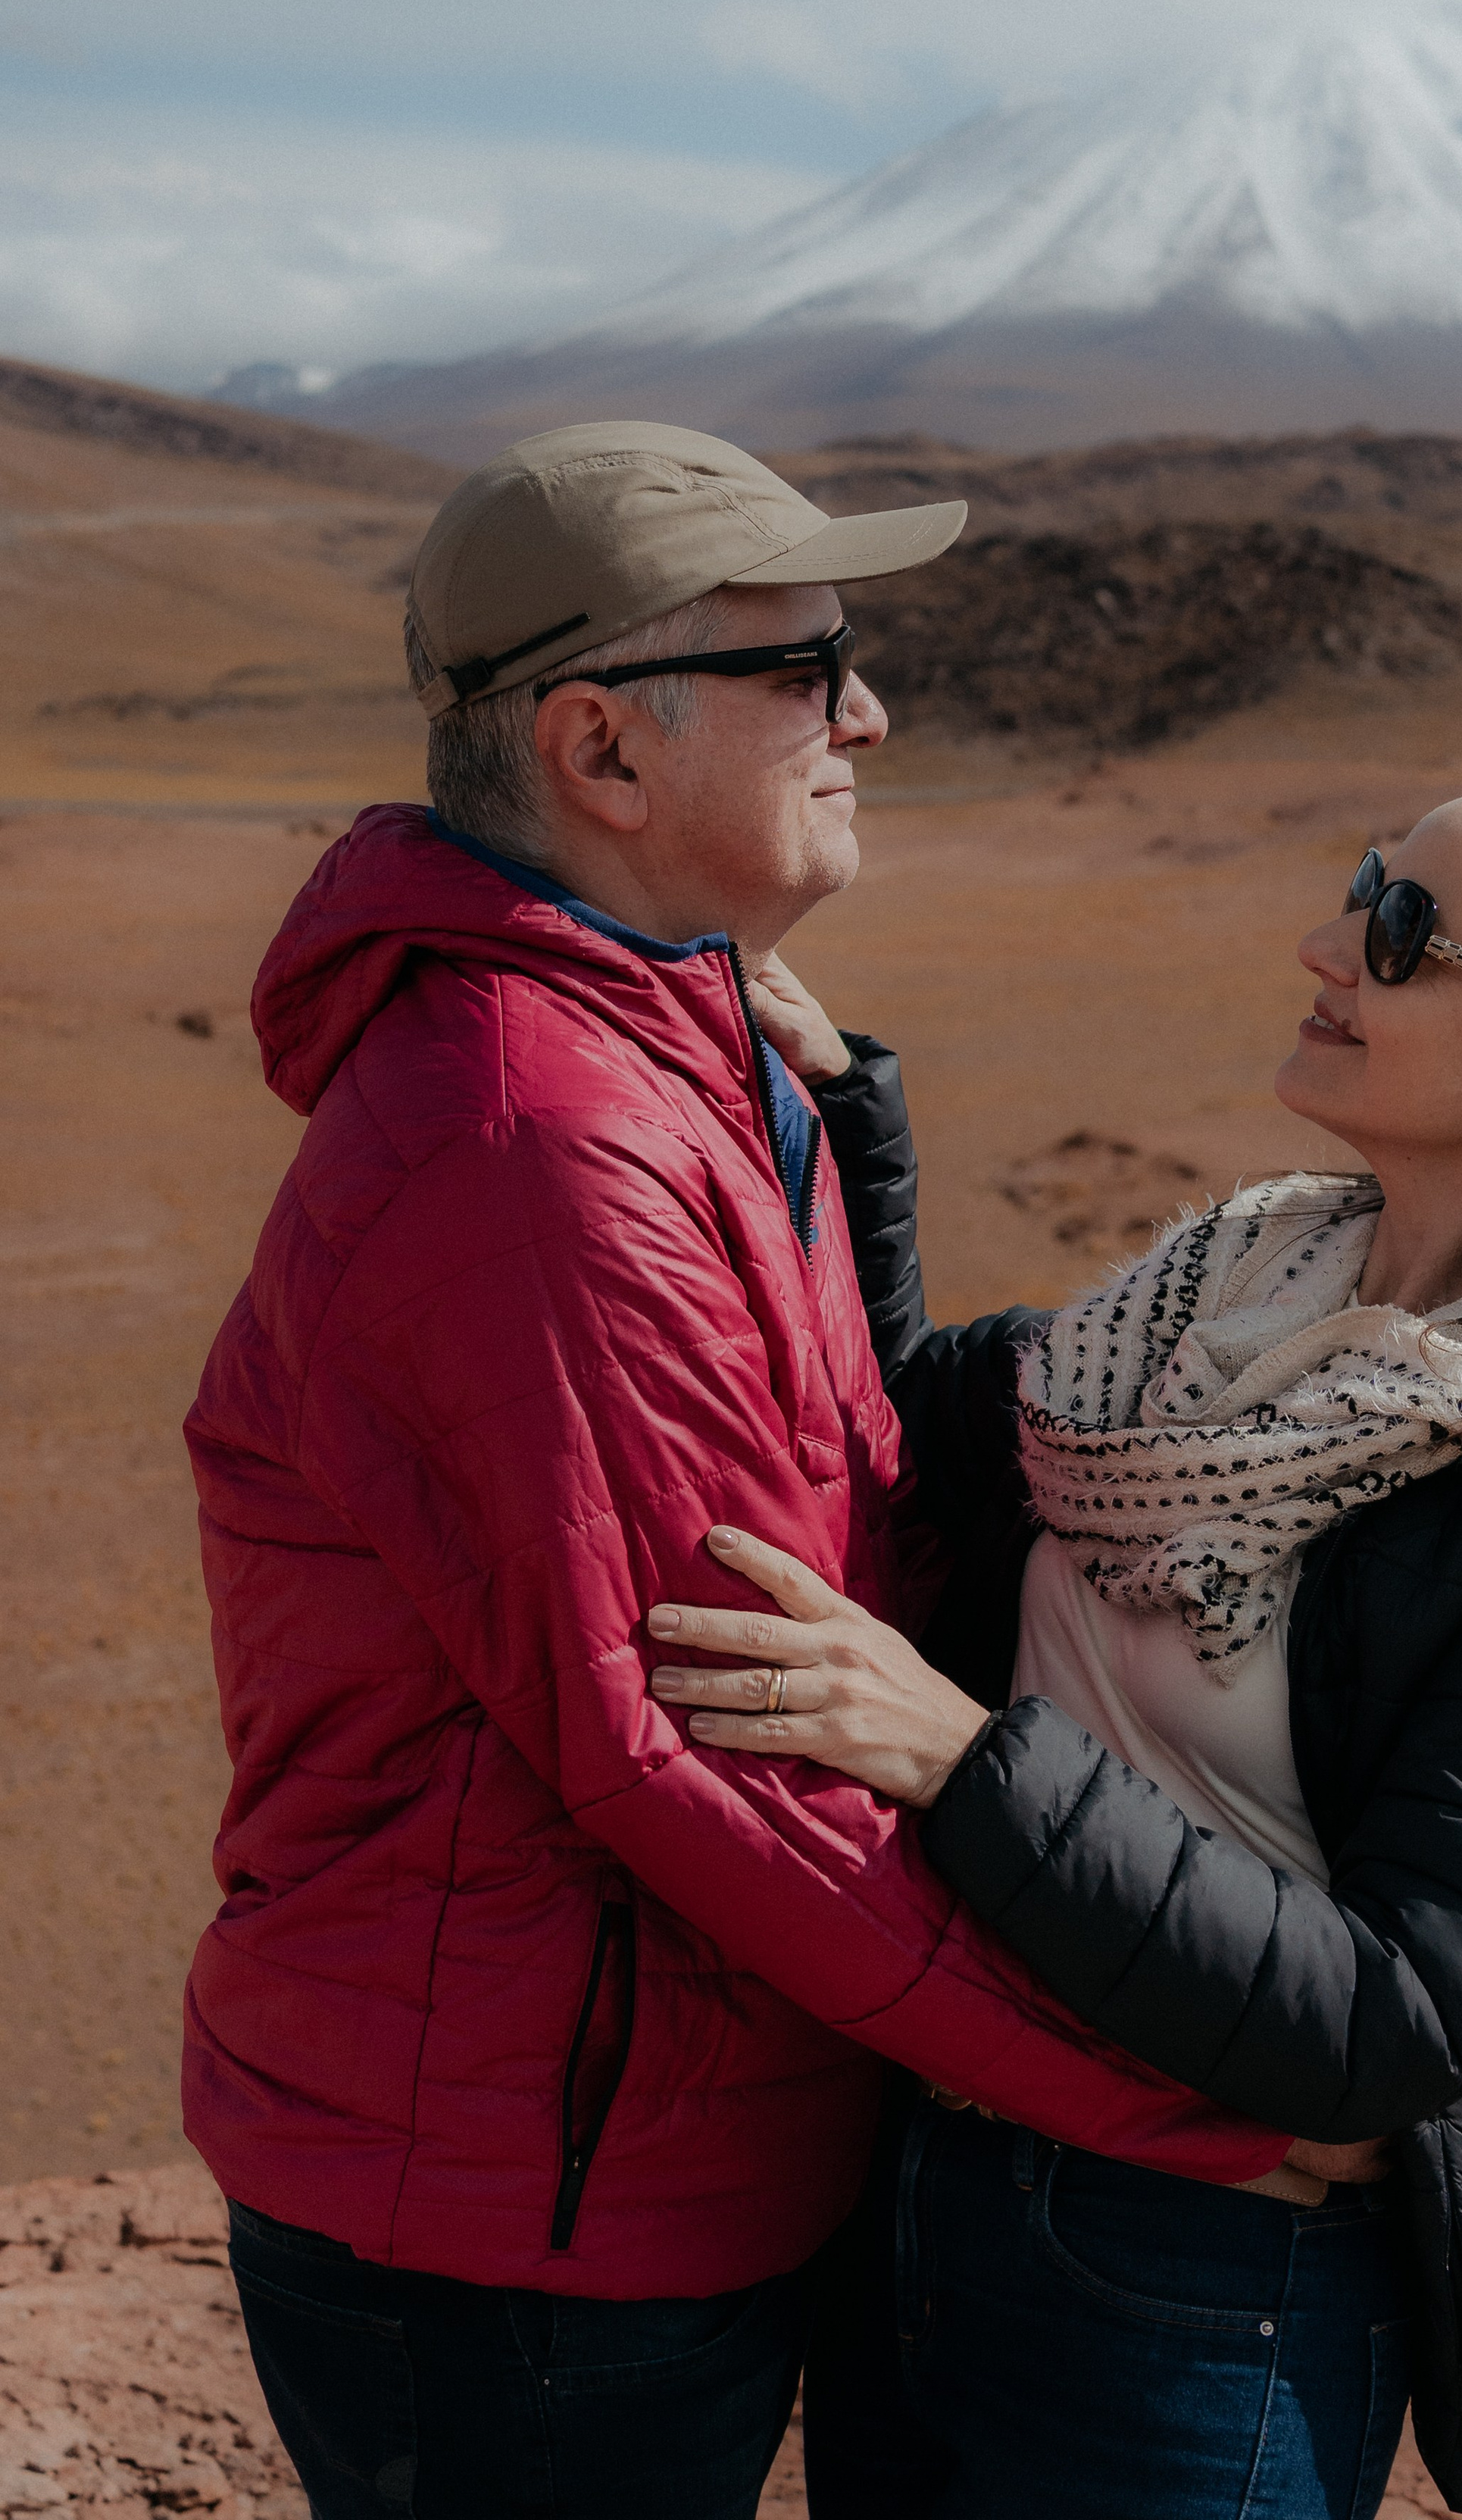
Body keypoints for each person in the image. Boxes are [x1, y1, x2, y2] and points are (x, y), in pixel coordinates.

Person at [182, 423, 1298, 2520]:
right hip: (527, 2211)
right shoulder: (538, 1145)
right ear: (601, 751)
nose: (865, 711)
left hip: (616, 2145)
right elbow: (701, 1741)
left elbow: (831, 1523)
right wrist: (1176, 2101)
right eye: (808, 669)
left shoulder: (682, 1046)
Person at [646, 743, 1462, 2519]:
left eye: (1406, 927)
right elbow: (898, 1442)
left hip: (1202, 2290)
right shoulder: (1219, 1305)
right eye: (1364, 884)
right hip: (926, 2189)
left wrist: (966, 1762)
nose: (1324, 943)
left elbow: (1387, 2021)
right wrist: (837, 1122)